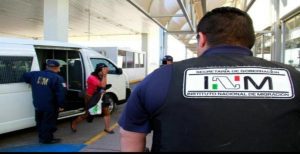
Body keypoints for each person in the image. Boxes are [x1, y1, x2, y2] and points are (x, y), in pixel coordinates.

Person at [118, 7, 300, 152]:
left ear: (202, 38)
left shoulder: (163, 77)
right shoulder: (292, 78)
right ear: (250, 40)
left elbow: (130, 135)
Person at [23, 59, 66, 144]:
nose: (59, 70)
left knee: (40, 121)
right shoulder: (58, 78)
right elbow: (61, 94)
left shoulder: (35, 74)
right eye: (59, 68)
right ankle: (47, 139)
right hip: (50, 105)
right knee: (49, 122)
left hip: (38, 104)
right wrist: (61, 105)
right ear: (57, 68)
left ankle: (41, 137)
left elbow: (24, 76)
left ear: (47, 67)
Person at [71, 63, 114, 134]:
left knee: (106, 111)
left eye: (106, 71)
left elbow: (103, 88)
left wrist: (103, 91)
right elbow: (103, 85)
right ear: (98, 71)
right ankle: (74, 122)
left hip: (100, 95)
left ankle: (107, 128)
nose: (105, 72)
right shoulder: (92, 78)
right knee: (87, 114)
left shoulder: (101, 76)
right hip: (91, 97)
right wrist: (105, 75)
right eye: (103, 71)